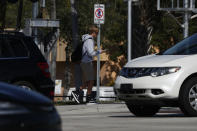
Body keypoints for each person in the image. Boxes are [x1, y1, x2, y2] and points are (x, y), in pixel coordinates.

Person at [80, 25, 105, 104]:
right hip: (87, 62)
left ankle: (80, 93)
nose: (97, 34)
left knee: (88, 80)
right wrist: (100, 52)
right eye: (96, 33)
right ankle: (88, 97)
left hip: (84, 62)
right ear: (93, 32)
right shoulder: (89, 40)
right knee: (91, 80)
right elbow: (91, 53)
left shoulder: (86, 39)